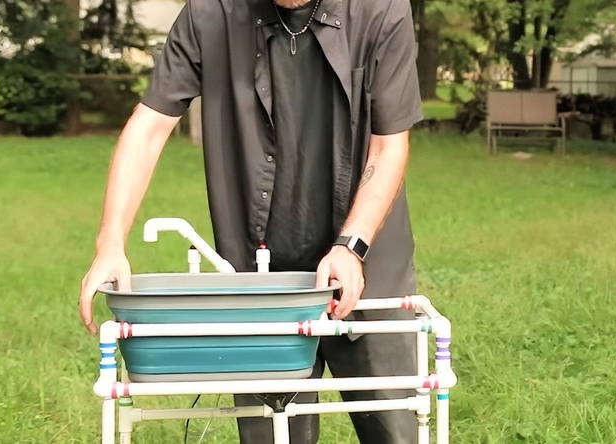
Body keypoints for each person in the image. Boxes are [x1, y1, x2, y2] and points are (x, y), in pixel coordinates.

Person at [79, 0, 423, 442]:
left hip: (369, 261)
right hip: (259, 278)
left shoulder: (381, 8)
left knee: (394, 428)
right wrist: (110, 243)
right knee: (270, 434)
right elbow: (148, 126)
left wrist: (350, 246)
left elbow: (389, 145)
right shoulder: (210, 13)